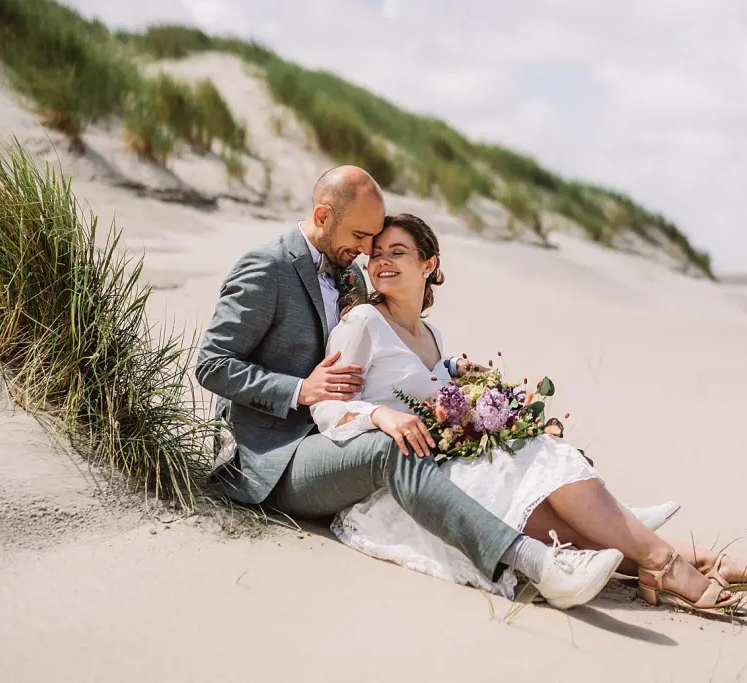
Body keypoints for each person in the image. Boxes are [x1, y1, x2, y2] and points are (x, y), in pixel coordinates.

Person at [308, 212, 747, 611]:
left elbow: (422, 381)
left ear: (429, 263)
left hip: (454, 458)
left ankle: (682, 562)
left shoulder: (432, 335)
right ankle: (678, 563)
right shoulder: (362, 322)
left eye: (398, 252)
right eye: (377, 255)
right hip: (408, 478)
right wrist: (380, 417)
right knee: (535, 490)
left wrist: (463, 382)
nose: (382, 262)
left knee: (545, 469)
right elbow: (328, 409)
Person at [198, 166, 635, 610]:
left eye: (374, 240)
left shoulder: (349, 273)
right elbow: (212, 363)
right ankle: (534, 561)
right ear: (323, 215)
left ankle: (610, 526)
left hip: (338, 436)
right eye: (362, 235)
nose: (369, 250)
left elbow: (376, 356)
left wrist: (445, 369)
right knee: (393, 447)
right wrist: (300, 390)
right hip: (277, 457)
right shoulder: (267, 267)